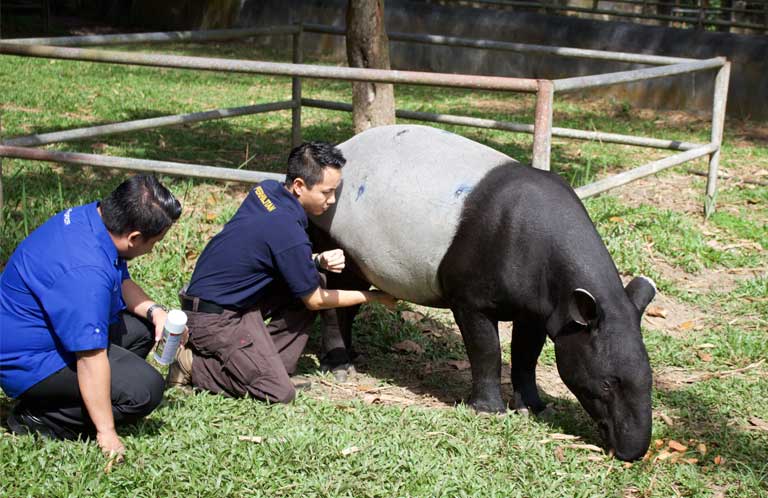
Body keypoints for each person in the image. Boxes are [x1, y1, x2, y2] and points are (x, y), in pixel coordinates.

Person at [170, 141, 395, 402]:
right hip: (214, 320)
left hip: (225, 300)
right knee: (279, 392)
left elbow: (270, 250)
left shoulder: (266, 191)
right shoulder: (288, 230)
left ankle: (269, 366)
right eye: (326, 192)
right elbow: (315, 301)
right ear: (299, 186)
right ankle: (191, 363)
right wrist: (373, 297)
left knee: (314, 277)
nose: (331, 200)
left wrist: (317, 259)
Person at [0, 174, 182, 460]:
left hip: (47, 333)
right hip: (29, 361)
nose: (153, 250)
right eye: (155, 243)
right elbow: (89, 357)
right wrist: (107, 433)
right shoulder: (85, 273)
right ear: (134, 238)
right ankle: (38, 416)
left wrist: (155, 311)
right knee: (145, 391)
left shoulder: (93, 219)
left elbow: (121, 280)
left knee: (144, 328)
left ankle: (72, 398)